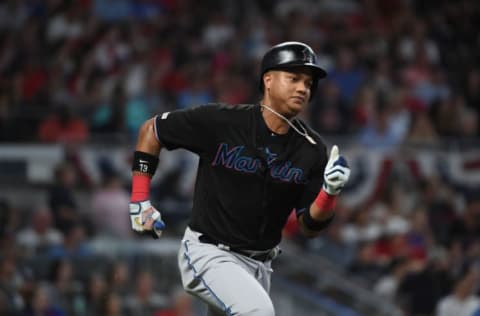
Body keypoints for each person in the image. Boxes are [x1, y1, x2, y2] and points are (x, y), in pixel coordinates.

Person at [128, 41, 351, 316]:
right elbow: (152, 130)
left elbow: (309, 226)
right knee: (258, 312)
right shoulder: (223, 121)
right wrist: (139, 200)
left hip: (260, 266)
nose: (303, 88)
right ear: (268, 80)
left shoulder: (312, 149)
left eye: (308, 82)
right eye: (294, 78)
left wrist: (329, 193)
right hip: (210, 252)